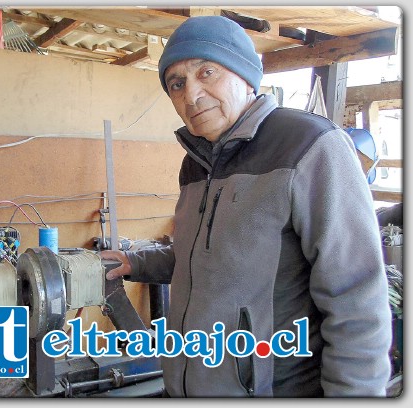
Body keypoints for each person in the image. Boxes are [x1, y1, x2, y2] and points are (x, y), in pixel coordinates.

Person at [101, 15, 392, 397]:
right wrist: (135, 262)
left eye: (207, 72)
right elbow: (200, 257)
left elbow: (357, 301)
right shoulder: (196, 164)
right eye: (177, 84)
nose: (191, 95)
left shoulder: (310, 146)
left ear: (244, 74)